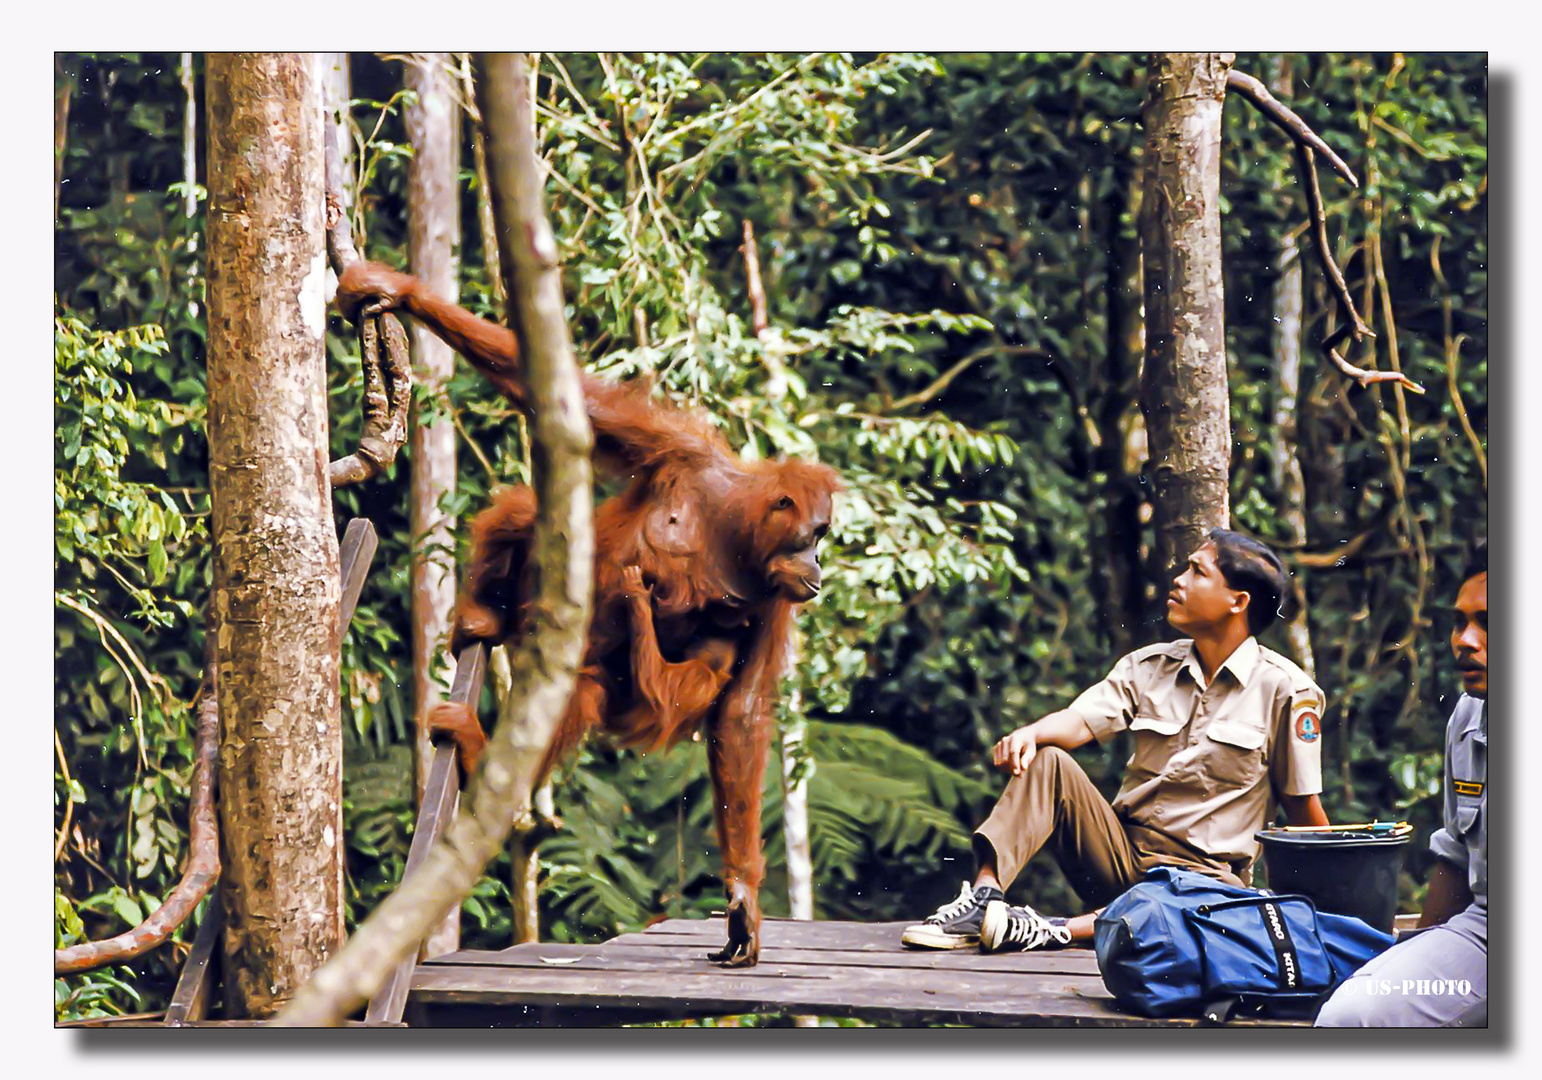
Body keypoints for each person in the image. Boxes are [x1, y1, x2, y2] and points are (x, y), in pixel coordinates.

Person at [902, 529, 1329, 953]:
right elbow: (1080, 722)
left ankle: (1055, 929)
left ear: (1238, 602)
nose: (1178, 580)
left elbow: (1302, 810)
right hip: (1121, 854)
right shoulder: (1150, 667)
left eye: (1197, 572)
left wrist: (1326, 911)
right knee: (1048, 760)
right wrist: (1031, 733)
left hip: (1202, 882)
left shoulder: (1287, 691)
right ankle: (984, 900)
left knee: (1193, 902)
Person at [1315, 541, 1487, 1027]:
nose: (1465, 641)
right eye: (1459, 622)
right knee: (1347, 1016)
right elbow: (1455, 858)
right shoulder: (1470, 717)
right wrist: (1419, 950)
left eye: (1488, 623)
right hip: (1489, 934)